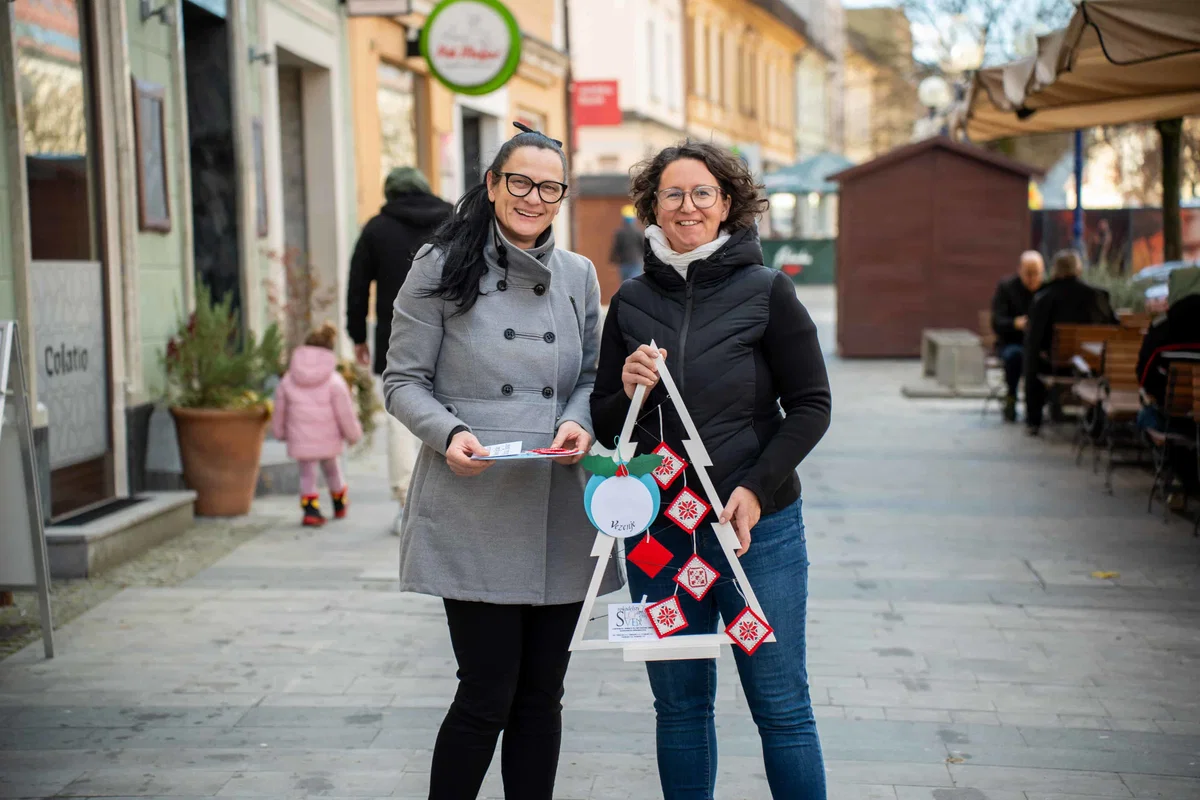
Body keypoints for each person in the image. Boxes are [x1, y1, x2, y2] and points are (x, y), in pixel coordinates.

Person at [382, 122, 618, 800]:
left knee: (543, 695)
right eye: (520, 181)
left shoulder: (576, 275)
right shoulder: (438, 266)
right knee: (487, 692)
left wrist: (577, 422)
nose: (533, 197)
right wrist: (448, 433)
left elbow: (590, 374)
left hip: (555, 505)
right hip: (473, 499)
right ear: (492, 185)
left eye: (549, 186)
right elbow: (402, 380)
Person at [591, 141, 832, 800]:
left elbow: (812, 404)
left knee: (780, 706)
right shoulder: (632, 299)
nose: (688, 206)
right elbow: (610, 425)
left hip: (759, 535)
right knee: (680, 709)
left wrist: (756, 488)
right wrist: (624, 382)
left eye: (702, 193)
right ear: (653, 207)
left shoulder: (768, 291)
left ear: (726, 204)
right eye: (673, 194)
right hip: (663, 539)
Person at [347, 166, 453, 534]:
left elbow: (357, 286)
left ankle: (407, 500)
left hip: (396, 338)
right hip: (454, 334)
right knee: (453, 407)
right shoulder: (454, 219)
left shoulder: (376, 228)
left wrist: (357, 335)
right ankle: (452, 498)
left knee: (401, 418)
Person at [272, 322, 364, 527]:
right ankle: (340, 504)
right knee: (333, 470)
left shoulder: (288, 379)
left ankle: (310, 510)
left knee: (307, 474)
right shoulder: (334, 381)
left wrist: (278, 432)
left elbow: (279, 409)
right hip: (328, 439)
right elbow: (345, 413)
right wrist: (353, 434)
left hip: (301, 439)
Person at [1023, 248, 1117, 436]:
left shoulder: (1043, 298)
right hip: (1094, 367)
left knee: (1031, 357)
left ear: (1055, 270)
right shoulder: (1098, 296)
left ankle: (1034, 421)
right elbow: (1114, 331)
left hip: (1056, 366)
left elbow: (1034, 343)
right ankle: (1097, 422)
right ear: (1078, 269)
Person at [990, 251, 1045, 422]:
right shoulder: (1007, 288)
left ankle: (1041, 406)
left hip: (1040, 345)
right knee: (1015, 357)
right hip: (1013, 342)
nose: (1032, 278)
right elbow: (997, 322)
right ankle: (1011, 397)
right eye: (1028, 273)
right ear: (1019, 270)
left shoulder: (1047, 289)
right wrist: (1016, 323)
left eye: (1036, 273)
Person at [610, 204, 644, 282]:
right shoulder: (638, 232)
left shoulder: (619, 233)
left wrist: (613, 260)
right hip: (636, 262)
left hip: (623, 262)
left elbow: (616, 248)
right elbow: (644, 247)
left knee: (625, 285)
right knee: (635, 285)